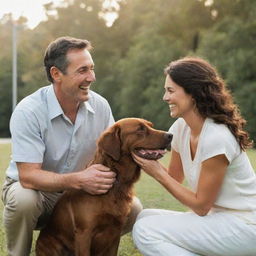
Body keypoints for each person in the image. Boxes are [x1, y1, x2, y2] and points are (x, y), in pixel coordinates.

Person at [2, 36, 142, 256]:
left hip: (81, 194)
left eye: (92, 69)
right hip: (38, 194)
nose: (91, 77)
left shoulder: (101, 106)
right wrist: (78, 179)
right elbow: (28, 176)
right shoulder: (28, 111)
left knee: (134, 208)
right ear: (56, 74)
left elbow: (116, 153)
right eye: (82, 70)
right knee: (23, 199)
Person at [132, 57, 256, 256]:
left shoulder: (216, 137)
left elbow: (201, 206)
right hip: (220, 219)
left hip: (246, 225)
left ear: (193, 93)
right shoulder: (182, 128)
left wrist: (157, 173)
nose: (165, 97)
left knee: (145, 231)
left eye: (171, 91)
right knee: (144, 217)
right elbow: (174, 178)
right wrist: (147, 158)